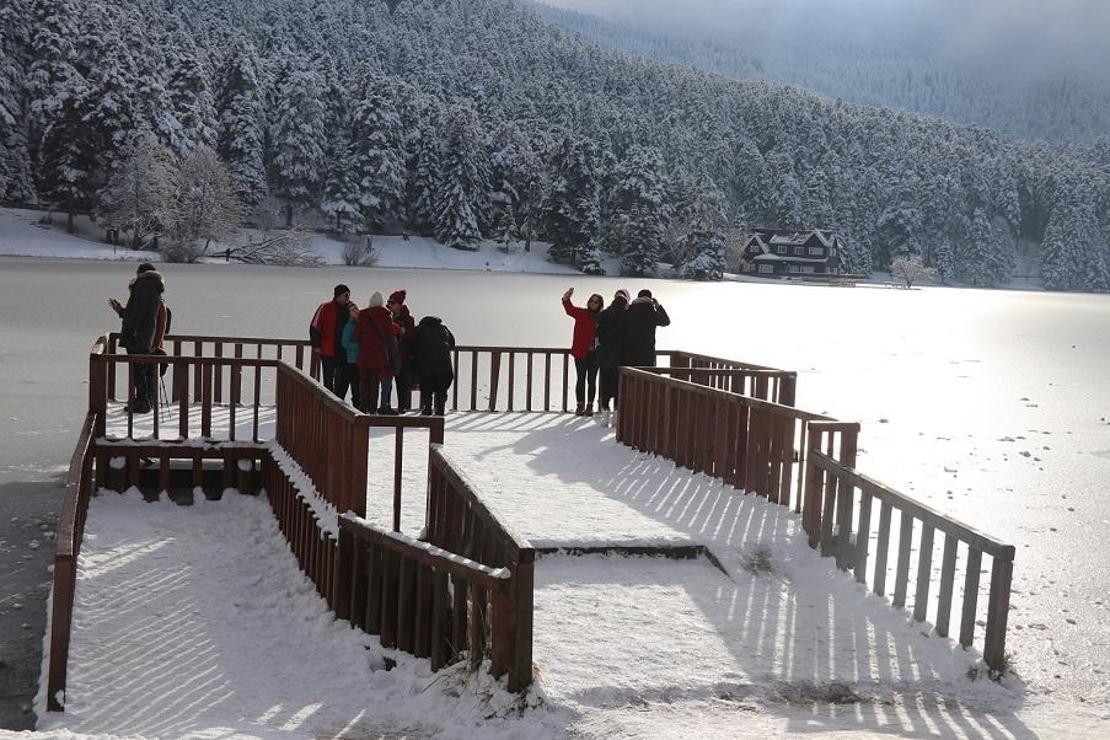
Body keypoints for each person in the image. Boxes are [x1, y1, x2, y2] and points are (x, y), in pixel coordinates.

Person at [108, 262, 166, 414]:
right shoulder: (153, 287)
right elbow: (139, 311)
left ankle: (142, 402)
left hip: (138, 336)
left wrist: (130, 330)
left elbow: (138, 312)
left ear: (141, 273)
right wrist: (121, 311)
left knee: (138, 369)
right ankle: (146, 400)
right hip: (145, 335)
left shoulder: (144, 285)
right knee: (141, 368)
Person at [356, 291, 401, 415]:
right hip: (379, 356)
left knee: (364, 382)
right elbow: (390, 336)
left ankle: (363, 406)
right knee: (375, 383)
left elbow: (357, 336)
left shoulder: (363, 316)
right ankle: (372, 408)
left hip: (364, 356)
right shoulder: (386, 317)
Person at [562, 287, 604, 416]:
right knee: (580, 378)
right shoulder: (582, 313)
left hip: (595, 354)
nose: (593, 303)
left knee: (592, 380)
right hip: (581, 352)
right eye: (591, 301)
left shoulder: (603, 317)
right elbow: (570, 309)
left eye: (596, 302)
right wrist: (566, 298)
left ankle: (590, 406)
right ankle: (580, 405)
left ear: (600, 304)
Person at [594, 288, 629, 425]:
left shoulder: (603, 315)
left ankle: (605, 413)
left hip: (605, 356)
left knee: (605, 385)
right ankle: (616, 415)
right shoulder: (627, 316)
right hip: (621, 357)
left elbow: (598, 335)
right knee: (618, 386)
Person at [310, 284, 351, 395]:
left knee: (344, 380)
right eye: (345, 295)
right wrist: (316, 345)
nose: (348, 298)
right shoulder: (325, 308)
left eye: (349, 295)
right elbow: (314, 327)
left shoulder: (351, 309)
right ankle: (329, 404)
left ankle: (339, 403)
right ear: (338, 296)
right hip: (328, 351)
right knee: (328, 380)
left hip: (345, 351)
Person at [410, 315, 455, 416]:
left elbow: (412, 344)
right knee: (441, 389)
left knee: (426, 388)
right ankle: (440, 409)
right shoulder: (444, 329)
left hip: (425, 364)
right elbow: (452, 343)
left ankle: (427, 409)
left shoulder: (419, 330)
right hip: (444, 365)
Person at [622, 288, 671, 367]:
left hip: (629, 352)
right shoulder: (652, 313)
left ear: (637, 298)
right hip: (647, 353)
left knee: (630, 377)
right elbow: (666, 321)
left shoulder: (629, 311)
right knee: (645, 377)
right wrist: (658, 306)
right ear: (650, 299)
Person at [387, 289, 416, 413]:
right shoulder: (388, 318)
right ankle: (386, 405)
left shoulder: (408, 319)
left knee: (402, 383)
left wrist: (404, 332)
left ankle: (402, 407)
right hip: (389, 354)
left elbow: (413, 337)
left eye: (392, 303)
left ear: (400, 304)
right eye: (389, 302)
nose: (390, 305)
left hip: (403, 355)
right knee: (386, 382)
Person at [337, 302, 361, 408]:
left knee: (357, 386)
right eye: (352, 311)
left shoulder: (361, 325)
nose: (355, 312)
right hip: (350, 360)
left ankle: (357, 406)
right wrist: (358, 345)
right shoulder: (349, 326)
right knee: (346, 384)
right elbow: (345, 343)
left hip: (359, 360)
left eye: (356, 309)